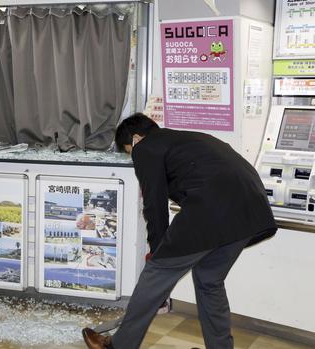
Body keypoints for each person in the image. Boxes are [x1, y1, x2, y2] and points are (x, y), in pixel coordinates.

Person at [82, 113, 277, 349]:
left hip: (212, 210)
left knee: (154, 276)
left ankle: (117, 346)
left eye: (128, 151)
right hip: (251, 212)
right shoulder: (188, 139)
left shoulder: (146, 148)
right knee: (209, 280)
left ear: (135, 138)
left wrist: (157, 252)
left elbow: (154, 205)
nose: (133, 157)